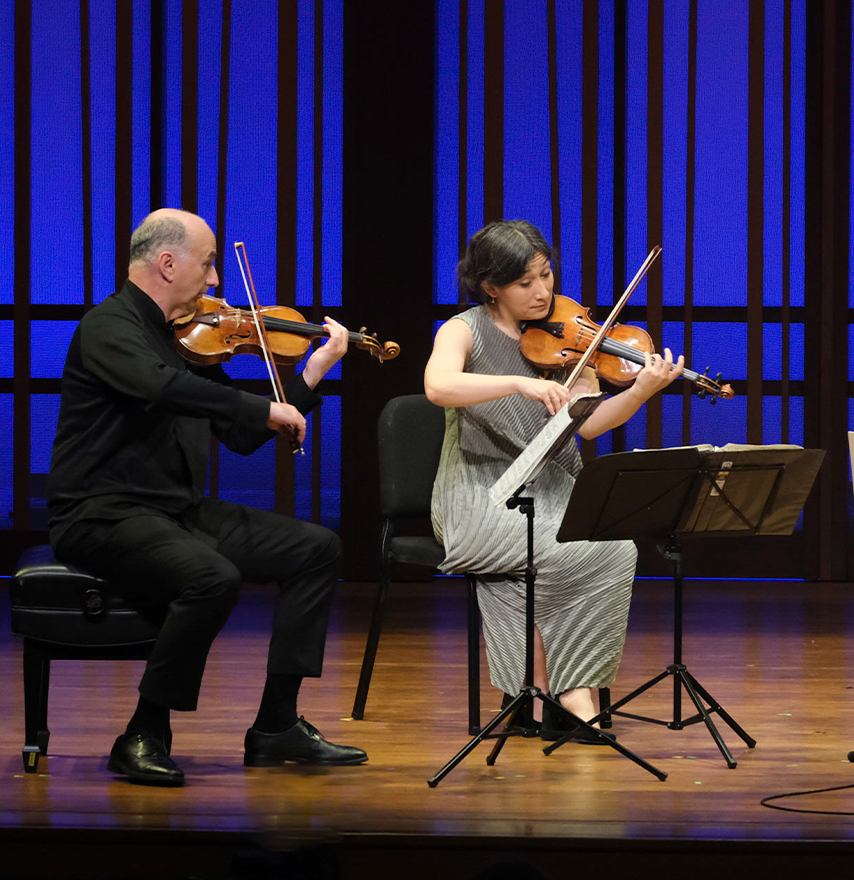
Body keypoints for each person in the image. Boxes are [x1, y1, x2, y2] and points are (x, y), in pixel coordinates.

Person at [47, 208, 366, 787]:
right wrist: (260, 405)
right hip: (101, 512)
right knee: (212, 578)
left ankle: (276, 726)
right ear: (167, 264)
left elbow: (242, 436)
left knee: (315, 548)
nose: (217, 281)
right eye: (209, 263)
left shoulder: (186, 342)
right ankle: (143, 732)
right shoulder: (108, 327)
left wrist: (312, 372)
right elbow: (161, 386)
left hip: (174, 512)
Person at [426, 220, 683, 738]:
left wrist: (640, 391)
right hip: (479, 493)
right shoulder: (463, 329)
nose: (543, 291)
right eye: (525, 283)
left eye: (545, 274)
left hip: (552, 487)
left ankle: (540, 696)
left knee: (612, 546)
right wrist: (520, 382)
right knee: (578, 552)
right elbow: (438, 386)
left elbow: (587, 423)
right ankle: (572, 700)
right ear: (491, 287)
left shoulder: (567, 340)